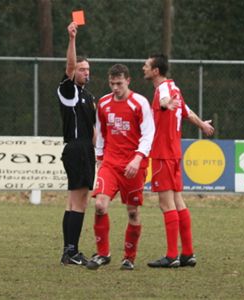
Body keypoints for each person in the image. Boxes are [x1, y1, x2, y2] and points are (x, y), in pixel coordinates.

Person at [143, 54, 214, 268]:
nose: (143, 68)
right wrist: (202, 125)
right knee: (178, 201)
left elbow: (166, 103)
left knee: (166, 204)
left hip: (163, 153)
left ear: (156, 71)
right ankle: (188, 253)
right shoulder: (175, 88)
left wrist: (165, 105)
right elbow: (187, 111)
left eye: (146, 65)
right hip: (174, 153)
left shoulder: (163, 90)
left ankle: (172, 255)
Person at [86, 64, 155, 271]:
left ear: (128, 81)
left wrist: (137, 158)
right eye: (112, 83)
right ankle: (102, 253)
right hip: (110, 163)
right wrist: (99, 157)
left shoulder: (139, 103)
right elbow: (100, 132)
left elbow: (148, 134)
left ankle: (129, 257)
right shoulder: (104, 103)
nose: (115, 87)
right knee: (99, 205)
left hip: (134, 165)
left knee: (133, 212)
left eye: (119, 83)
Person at [57, 22, 96, 266]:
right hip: (75, 148)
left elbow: (92, 129)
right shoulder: (68, 91)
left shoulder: (89, 96)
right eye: (82, 70)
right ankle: (72, 252)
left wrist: (98, 152)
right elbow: (69, 66)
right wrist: (72, 39)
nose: (85, 73)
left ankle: (68, 251)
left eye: (88, 70)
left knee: (75, 201)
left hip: (86, 149)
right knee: (79, 201)